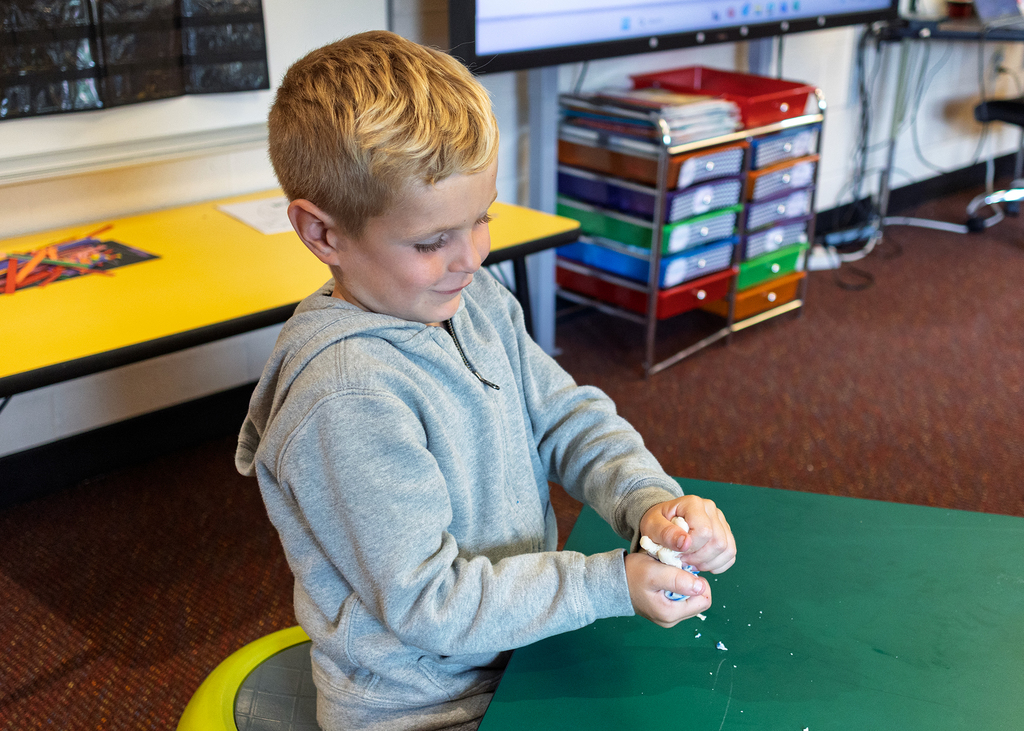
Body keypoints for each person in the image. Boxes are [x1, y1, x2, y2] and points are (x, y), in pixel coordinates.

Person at [235, 30, 736, 731]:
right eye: (431, 241)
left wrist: (650, 505)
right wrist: (606, 584)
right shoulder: (347, 396)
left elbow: (564, 415)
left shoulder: (470, 295)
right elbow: (432, 601)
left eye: (482, 219)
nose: (470, 256)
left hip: (520, 645)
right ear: (324, 234)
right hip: (425, 703)